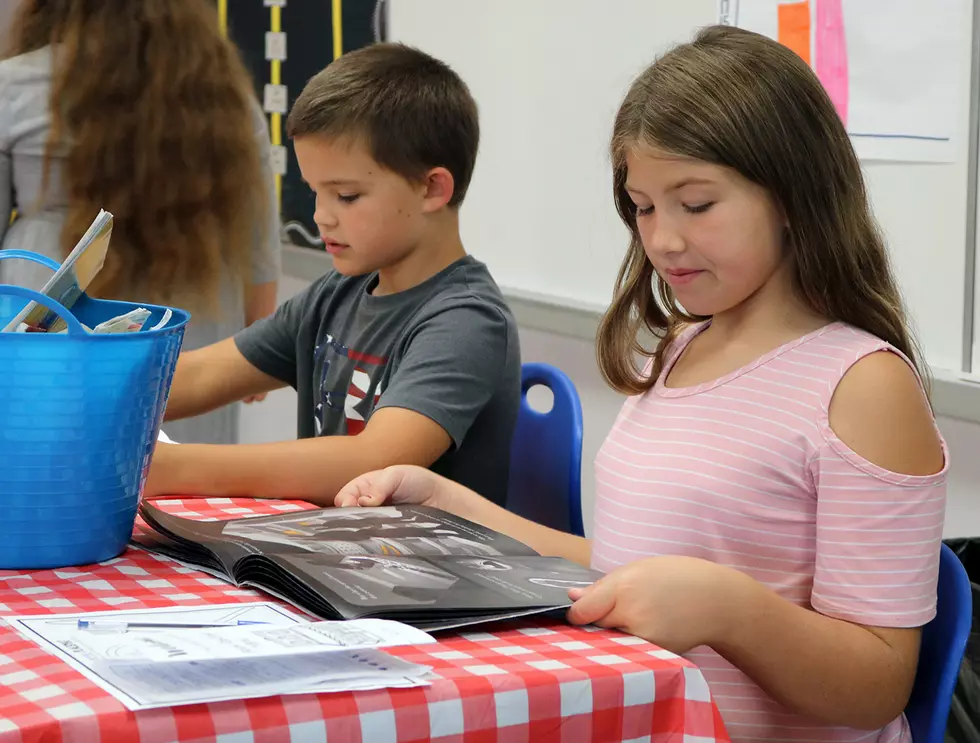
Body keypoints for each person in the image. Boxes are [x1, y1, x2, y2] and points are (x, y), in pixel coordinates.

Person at [335, 26, 947, 743]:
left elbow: (876, 684)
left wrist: (726, 607)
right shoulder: (681, 348)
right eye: (644, 206)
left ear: (791, 194)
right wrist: (445, 502)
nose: (662, 240)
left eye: (697, 204)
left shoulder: (863, 383)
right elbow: (618, 568)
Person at [146, 43, 521, 507]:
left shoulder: (467, 321)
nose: (322, 217)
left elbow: (372, 460)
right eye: (315, 193)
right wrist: (70, 391)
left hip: (418, 573)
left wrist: (170, 468)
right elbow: (201, 376)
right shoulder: (336, 294)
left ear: (432, 188)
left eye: (345, 196)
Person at [0, 0, 281, 445]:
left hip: (53, 305)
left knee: (47, 469)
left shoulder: (13, 85)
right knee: (185, 484)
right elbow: (258, 235)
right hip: (192, 310)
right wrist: (261, 346)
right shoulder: (225, 95)